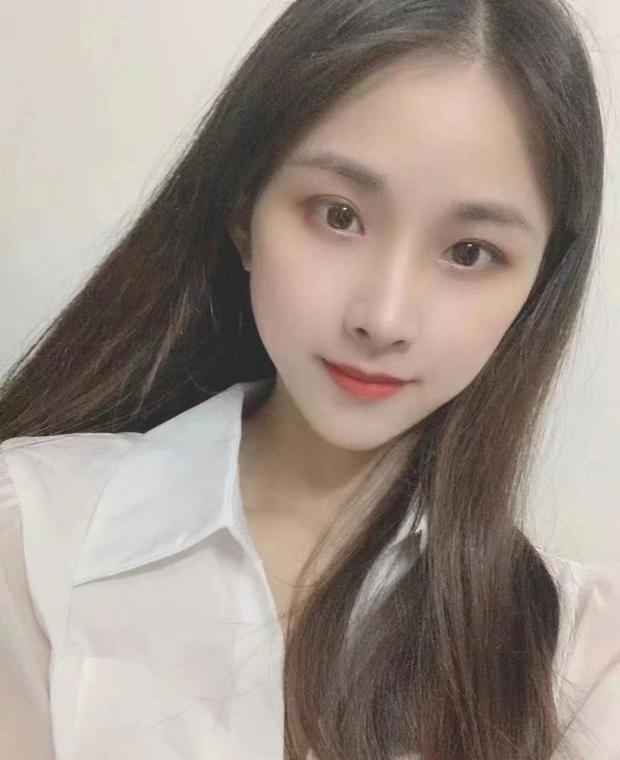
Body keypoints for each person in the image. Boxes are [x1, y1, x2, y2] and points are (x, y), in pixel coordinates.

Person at [1, 0, 619, 758]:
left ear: (538, 283)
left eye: (469, 253)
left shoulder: (583, 658)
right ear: (244, 212)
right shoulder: (30, 537)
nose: (384, 318)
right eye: (338, 215)